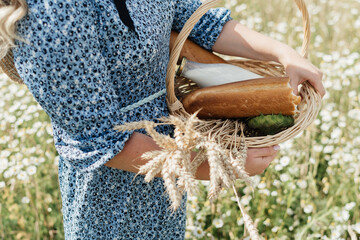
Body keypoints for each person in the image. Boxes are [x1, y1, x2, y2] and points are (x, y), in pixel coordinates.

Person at [0, 0, 325, 239]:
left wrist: (284, 54)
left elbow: (200, 24)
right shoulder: (48, 15)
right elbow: (100, 143)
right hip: (109, 195)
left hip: (170, 162)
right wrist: (219, 165)